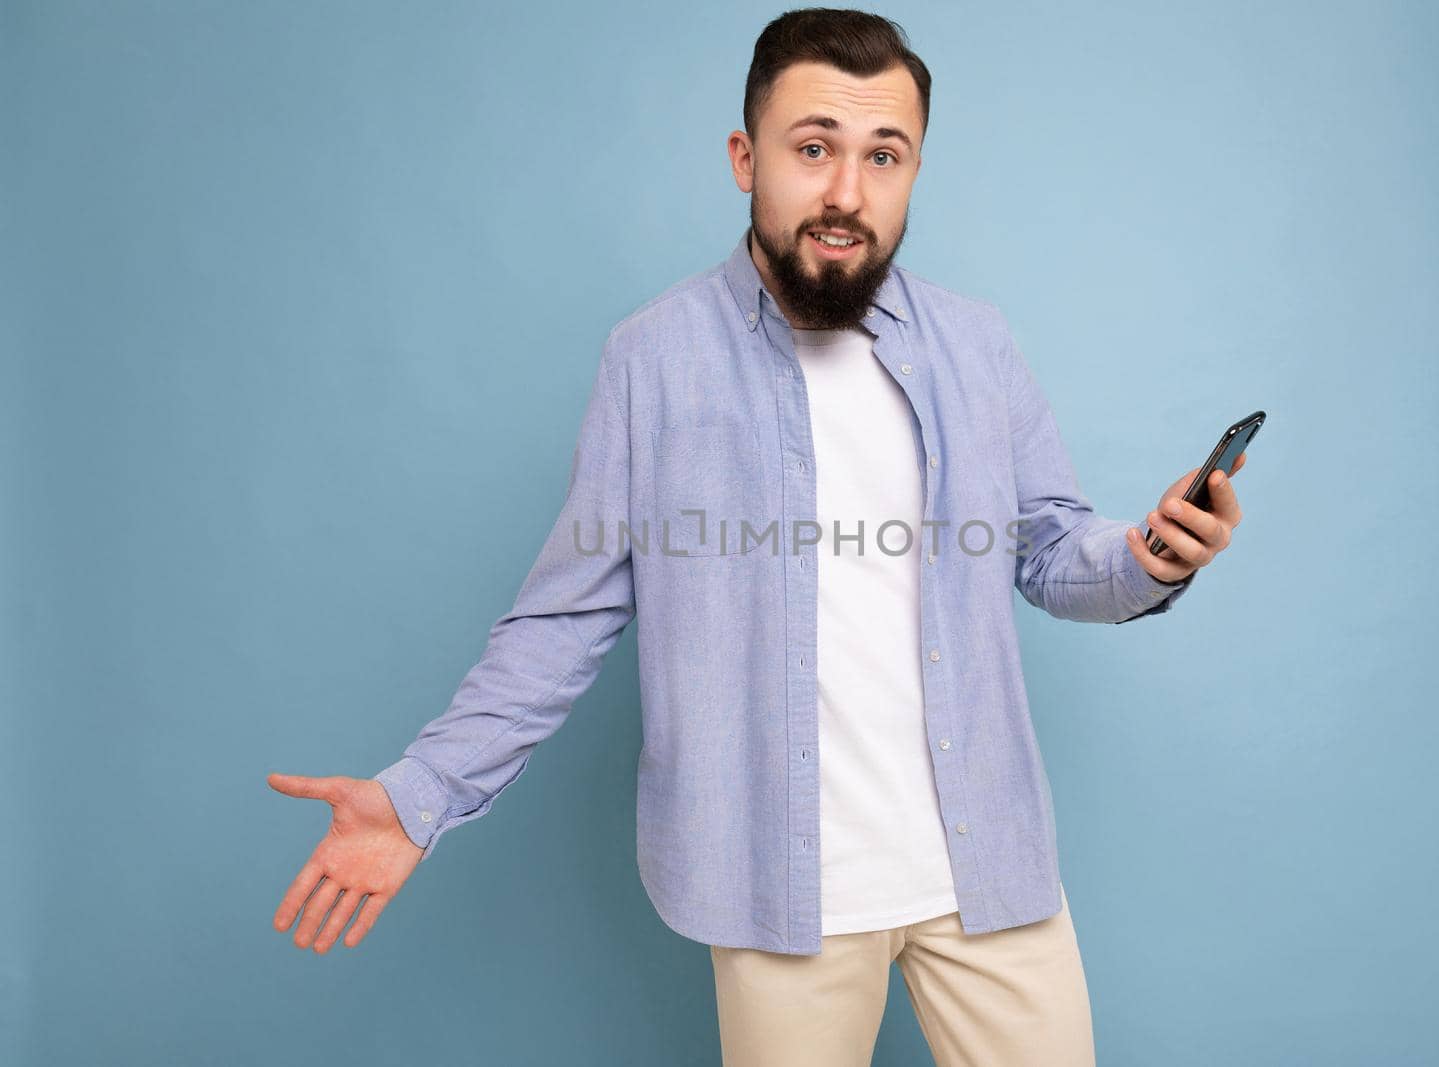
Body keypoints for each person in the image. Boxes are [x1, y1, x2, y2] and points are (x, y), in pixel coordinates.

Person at [268, 8, 1246, 1065]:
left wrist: (1149, 554)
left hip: (986, 865)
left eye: (884, 155)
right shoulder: (654, 358)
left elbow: (1050, 550)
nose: (845, 191)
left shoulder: (976, 342)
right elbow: (568, 613)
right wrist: (421, 794)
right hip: (775, 887)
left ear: (915, 168)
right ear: (747, 158)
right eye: (813, 147)